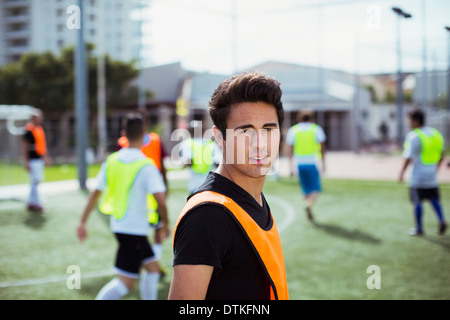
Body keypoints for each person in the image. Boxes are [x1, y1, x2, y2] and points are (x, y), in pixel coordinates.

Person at [168, 71, 289, 300]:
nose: (260, 144)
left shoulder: (253, 197)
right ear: (220, 137)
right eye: (245, 131)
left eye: (268, 129)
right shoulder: (208, 215)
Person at [77, 113, 170, 300]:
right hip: (134, 230)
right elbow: (160, 200)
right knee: (126, 283)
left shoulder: (112, 160)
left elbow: (95, 194)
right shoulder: (146, 165)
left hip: (121, 225)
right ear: (144, 134)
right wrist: (166, 224)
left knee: (153, 269)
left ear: (123, 134)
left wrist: (82, 222)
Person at [117, 122, 169, 262]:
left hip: (129, 204)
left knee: (142, 263)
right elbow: (162, 165)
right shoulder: (154, 142)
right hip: (151, 192)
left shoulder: (120, 147)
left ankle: (154, 265)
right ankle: (154, 264)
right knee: (129, 276)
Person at [399, 109, 447, 236]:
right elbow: (442, 154)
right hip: (432, 172)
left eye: (409, 119)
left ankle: (419, 228)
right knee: (434, 198)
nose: (408, 122)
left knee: (417, 201)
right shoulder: (435, 133)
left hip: (418, 174)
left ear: (415, 120)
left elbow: (408, 157)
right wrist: (437, 168)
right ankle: (442, 219)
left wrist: (401, 173)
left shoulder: (414, 135)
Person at [286, 110, 326, 221]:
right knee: (316, 189)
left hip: (299, 164)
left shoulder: (293, 130)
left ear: (299, 118)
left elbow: (290, 150)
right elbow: (323, 148)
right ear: (312, 118)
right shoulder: (316, 129)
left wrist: (290, 168)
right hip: (312, 163)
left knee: (306, 189)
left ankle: (308, 204)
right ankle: (308, 205)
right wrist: (324, 163)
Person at [179, 120, 221, 194]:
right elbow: (219, 163)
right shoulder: (211, 144)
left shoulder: (187, 143)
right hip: (210, 185)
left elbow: (188, 162)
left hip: (194, 185)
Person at [22, 109, 52, 212]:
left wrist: (46, 158)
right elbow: (25, 147)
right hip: (32, 160)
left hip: (39, 159)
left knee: (35, 181)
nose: (41, 118)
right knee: (35, 181)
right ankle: (37, 203)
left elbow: (42, 147)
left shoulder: (39, 129)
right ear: (34, 118)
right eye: (39, 116)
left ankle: (31, 202)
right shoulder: (28, 131)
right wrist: (25, 161)